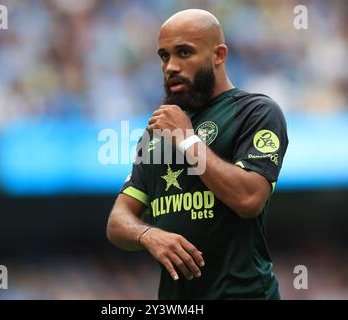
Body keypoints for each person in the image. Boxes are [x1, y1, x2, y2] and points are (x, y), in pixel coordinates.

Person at [106, 9, 288, 299]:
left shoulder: (255, 112)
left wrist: (186, 140)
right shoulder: (156, 132)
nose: (170, 67)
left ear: (219, 55)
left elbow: (249, 199)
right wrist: (147, 234)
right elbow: (118, 221)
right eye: (164, 56)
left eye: (184, 53)